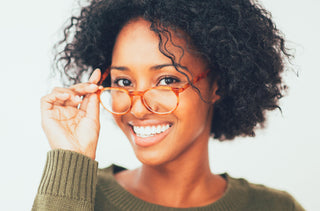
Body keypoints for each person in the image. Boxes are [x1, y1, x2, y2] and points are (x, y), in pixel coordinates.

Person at [32, 0, 305, 210]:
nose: (137, 109)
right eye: (124, 82)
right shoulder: (76, 197)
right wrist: (70, 159)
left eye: (166, 79)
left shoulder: (275, 207)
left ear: (217, 84)